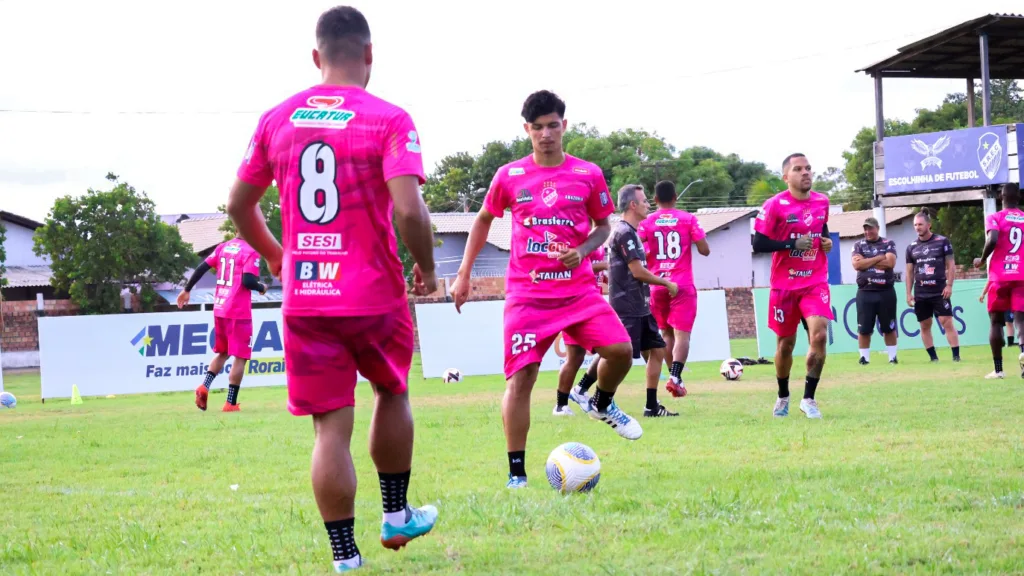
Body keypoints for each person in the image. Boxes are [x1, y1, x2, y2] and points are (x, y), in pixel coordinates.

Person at [225, 6, 438, 571]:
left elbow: (237, 206)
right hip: (373, 294)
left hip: (307, 297)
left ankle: (346, 558)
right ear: (369, 55)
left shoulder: (277, 118)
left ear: (316, 58)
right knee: (392, 394)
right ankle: (395, 515)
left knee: (330, 427)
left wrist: (277, 256)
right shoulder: (389, 118)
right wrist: (428, 268)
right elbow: (409, 209)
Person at [450, 89, 642, 490]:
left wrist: (584, 250)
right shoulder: (509, 175)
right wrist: (464, 274)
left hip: (579, 293)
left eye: (553, 125)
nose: (546, 134)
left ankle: (602, 403)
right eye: (537, 128)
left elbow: (604, 227)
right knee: (521, 380)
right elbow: (484, 219)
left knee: (622, 352)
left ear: (564, 126)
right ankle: (516, 474)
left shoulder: (588, 174)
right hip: (528, 297)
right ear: (527, 131)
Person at [751, 153, 833, 419]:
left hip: (815, 280)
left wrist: (826, 241)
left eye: (808, 168)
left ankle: (809, 399)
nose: (805, 172)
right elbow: (758, 244)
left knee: (819, 335)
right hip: (784, 285)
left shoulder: (822, 201)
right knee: (785, 345)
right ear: (786, 177)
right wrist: (791, 244)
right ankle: (783, 395)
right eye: (798, 169)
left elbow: (823, 228)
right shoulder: (775, 205)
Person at [637, 180, 710, 397]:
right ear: (676, 197)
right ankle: (675, 377)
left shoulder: (646, 221)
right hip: (682, 284)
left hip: (657, 284)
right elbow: (705, 250)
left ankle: (674, 378)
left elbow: (638, 249)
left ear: (655, 199)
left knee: (665, 333)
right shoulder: (688, 219)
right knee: (682, 335)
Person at [177, 237, 267, 412]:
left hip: (220, 307)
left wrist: (187, 289)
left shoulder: (223, 247)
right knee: (240, 357)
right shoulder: (251, 250)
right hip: (238, 311)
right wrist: (261, 287)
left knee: (223, 352)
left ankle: (204, 386)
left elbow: (202, 267)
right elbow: (248, 281)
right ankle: (230, 403)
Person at [973, 183, 1024, 379]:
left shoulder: (994, 217)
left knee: (996, 322)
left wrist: (982, 259)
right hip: (1021, 274)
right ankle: (1023, 359)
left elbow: (993, 239)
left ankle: (999, 369)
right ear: (1018, 198)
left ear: (1001, 198)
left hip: (1000, 276)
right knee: (1021, 320)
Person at [553, 244, 607, 416]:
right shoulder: (582, 240)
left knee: (611, 349)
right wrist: (607, 265)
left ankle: (582, 389)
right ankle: (562, 404)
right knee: (575, 357)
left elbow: (596, 272)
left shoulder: (599, 242)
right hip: (574, 303)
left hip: (593, 302)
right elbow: (579, 267)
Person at [905, 209, 960, 363]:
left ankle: (956, 356)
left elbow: (951, 265)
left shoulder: (942, 241)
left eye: (920, 224)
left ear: (929, 225)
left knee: (946, 321)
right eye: (915, 225)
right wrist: (908, 293)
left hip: (939, 290)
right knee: (924, 324)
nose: (917, 227)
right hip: (921, 292)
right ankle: (933, 358)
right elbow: (909, 272)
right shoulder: (911, 247)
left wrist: (949, 285)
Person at [850, 217, 899, 365]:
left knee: (889, 327)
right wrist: (878, 257)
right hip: (865, 291)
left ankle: (892, 358)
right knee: (864, 328)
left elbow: (890, 263)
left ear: (877, 228)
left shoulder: (888, 243)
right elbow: (857, 266)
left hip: (886, 291)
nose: (867, 231)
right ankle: (864, 358)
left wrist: (866, 260)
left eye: (870, 228)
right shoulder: (858, 245)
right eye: (865, 229)